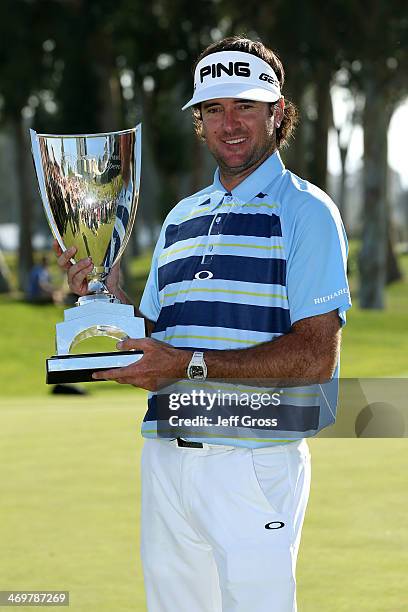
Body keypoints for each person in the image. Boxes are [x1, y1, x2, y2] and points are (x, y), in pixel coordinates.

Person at [54, 36, 351, 612]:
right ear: (199, 121)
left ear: (277, 112)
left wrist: (188, 365)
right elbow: (159, 339)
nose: (229, 123)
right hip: (166, 454)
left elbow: (316, 357)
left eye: (245, 105)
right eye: (213, 108)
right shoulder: (181, 217)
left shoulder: (307, 211)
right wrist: (106, 299)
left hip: (252, 458)